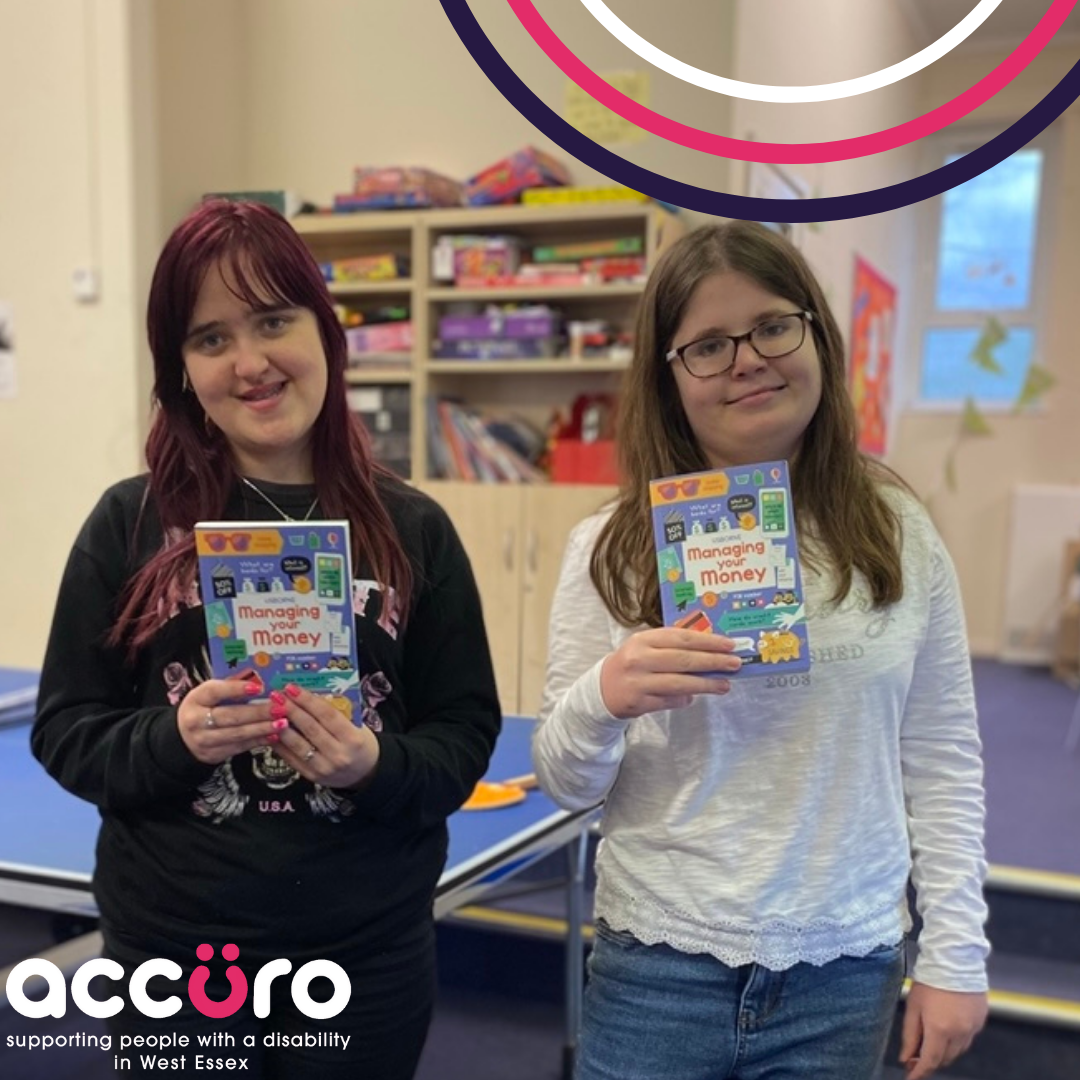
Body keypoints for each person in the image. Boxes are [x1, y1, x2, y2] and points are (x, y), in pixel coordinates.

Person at [33, 198, 501, 1079]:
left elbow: (464, 735)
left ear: (324, 333)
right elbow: (65, 732)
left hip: (362, 961)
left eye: (273, 321)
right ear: (180, 369)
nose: (249, 362)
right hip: (176, 959)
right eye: (210, 338)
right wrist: (174, 739)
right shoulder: (126, 526)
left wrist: (371, 765)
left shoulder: (414, 530)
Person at [532, 221, 989, 1080]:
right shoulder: (612, 547)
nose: (747, 359)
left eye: (773, 326)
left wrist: (955, 953)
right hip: (656, 967)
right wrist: (607, 693)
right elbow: (566, 782)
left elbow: (942, 755)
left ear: (815, 331)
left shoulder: (899, 532)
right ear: (668, 378)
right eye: (706, 345)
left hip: (844, 969)